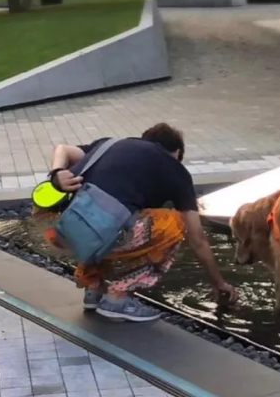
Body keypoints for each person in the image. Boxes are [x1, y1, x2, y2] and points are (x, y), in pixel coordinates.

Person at [45, 123, 238, 322]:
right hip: (97, 230)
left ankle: (94, 288)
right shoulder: (175, 170)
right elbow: (198, 239)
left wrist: (57, 173)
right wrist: (219, 283)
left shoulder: (110, 144)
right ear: (178, 152)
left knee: (115, 216)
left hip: (60, 228)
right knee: (172, 225)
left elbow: (62, 149)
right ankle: (117, 299)